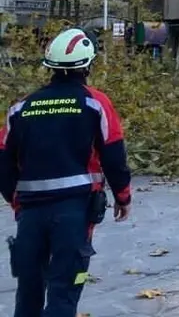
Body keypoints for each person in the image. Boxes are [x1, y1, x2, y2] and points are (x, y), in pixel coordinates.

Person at [0, 27, 132, 317]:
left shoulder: (21, 108)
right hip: (74, 213)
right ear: (87, 64)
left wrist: (17, 203)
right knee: (64, 292)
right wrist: (123, 196)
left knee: (28, 295)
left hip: (30, 215)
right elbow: (113, 154)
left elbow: (4, 161)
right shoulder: (94, 102)